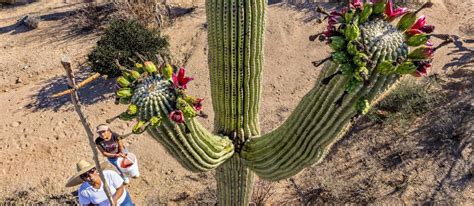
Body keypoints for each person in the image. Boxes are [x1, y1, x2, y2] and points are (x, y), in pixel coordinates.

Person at [65, 160, 134, 206]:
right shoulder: (83, 192)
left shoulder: (109, 175)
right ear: (83, 179)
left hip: (123, 201)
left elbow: (120, 188)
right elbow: (88, 205)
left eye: (91, 171)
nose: (91, 176)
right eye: (85, 175)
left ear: (96, 170)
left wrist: (114, 200)